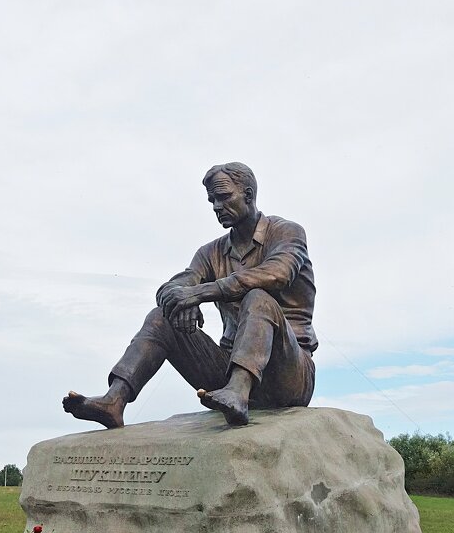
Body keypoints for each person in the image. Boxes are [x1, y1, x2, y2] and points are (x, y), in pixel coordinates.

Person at [63, 162, 316, 427]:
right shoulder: (210, 252)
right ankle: (114, 400)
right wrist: (182, 301)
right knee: (163, 315)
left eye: (224, 197)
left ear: (249, 195)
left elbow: (278, 273)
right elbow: (173, 287)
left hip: (289, 375)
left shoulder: (286, 232)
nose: (217, 206)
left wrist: (199, 293)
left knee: (258, 297)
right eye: (212, 201)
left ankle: (238, 392)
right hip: (226, 369)